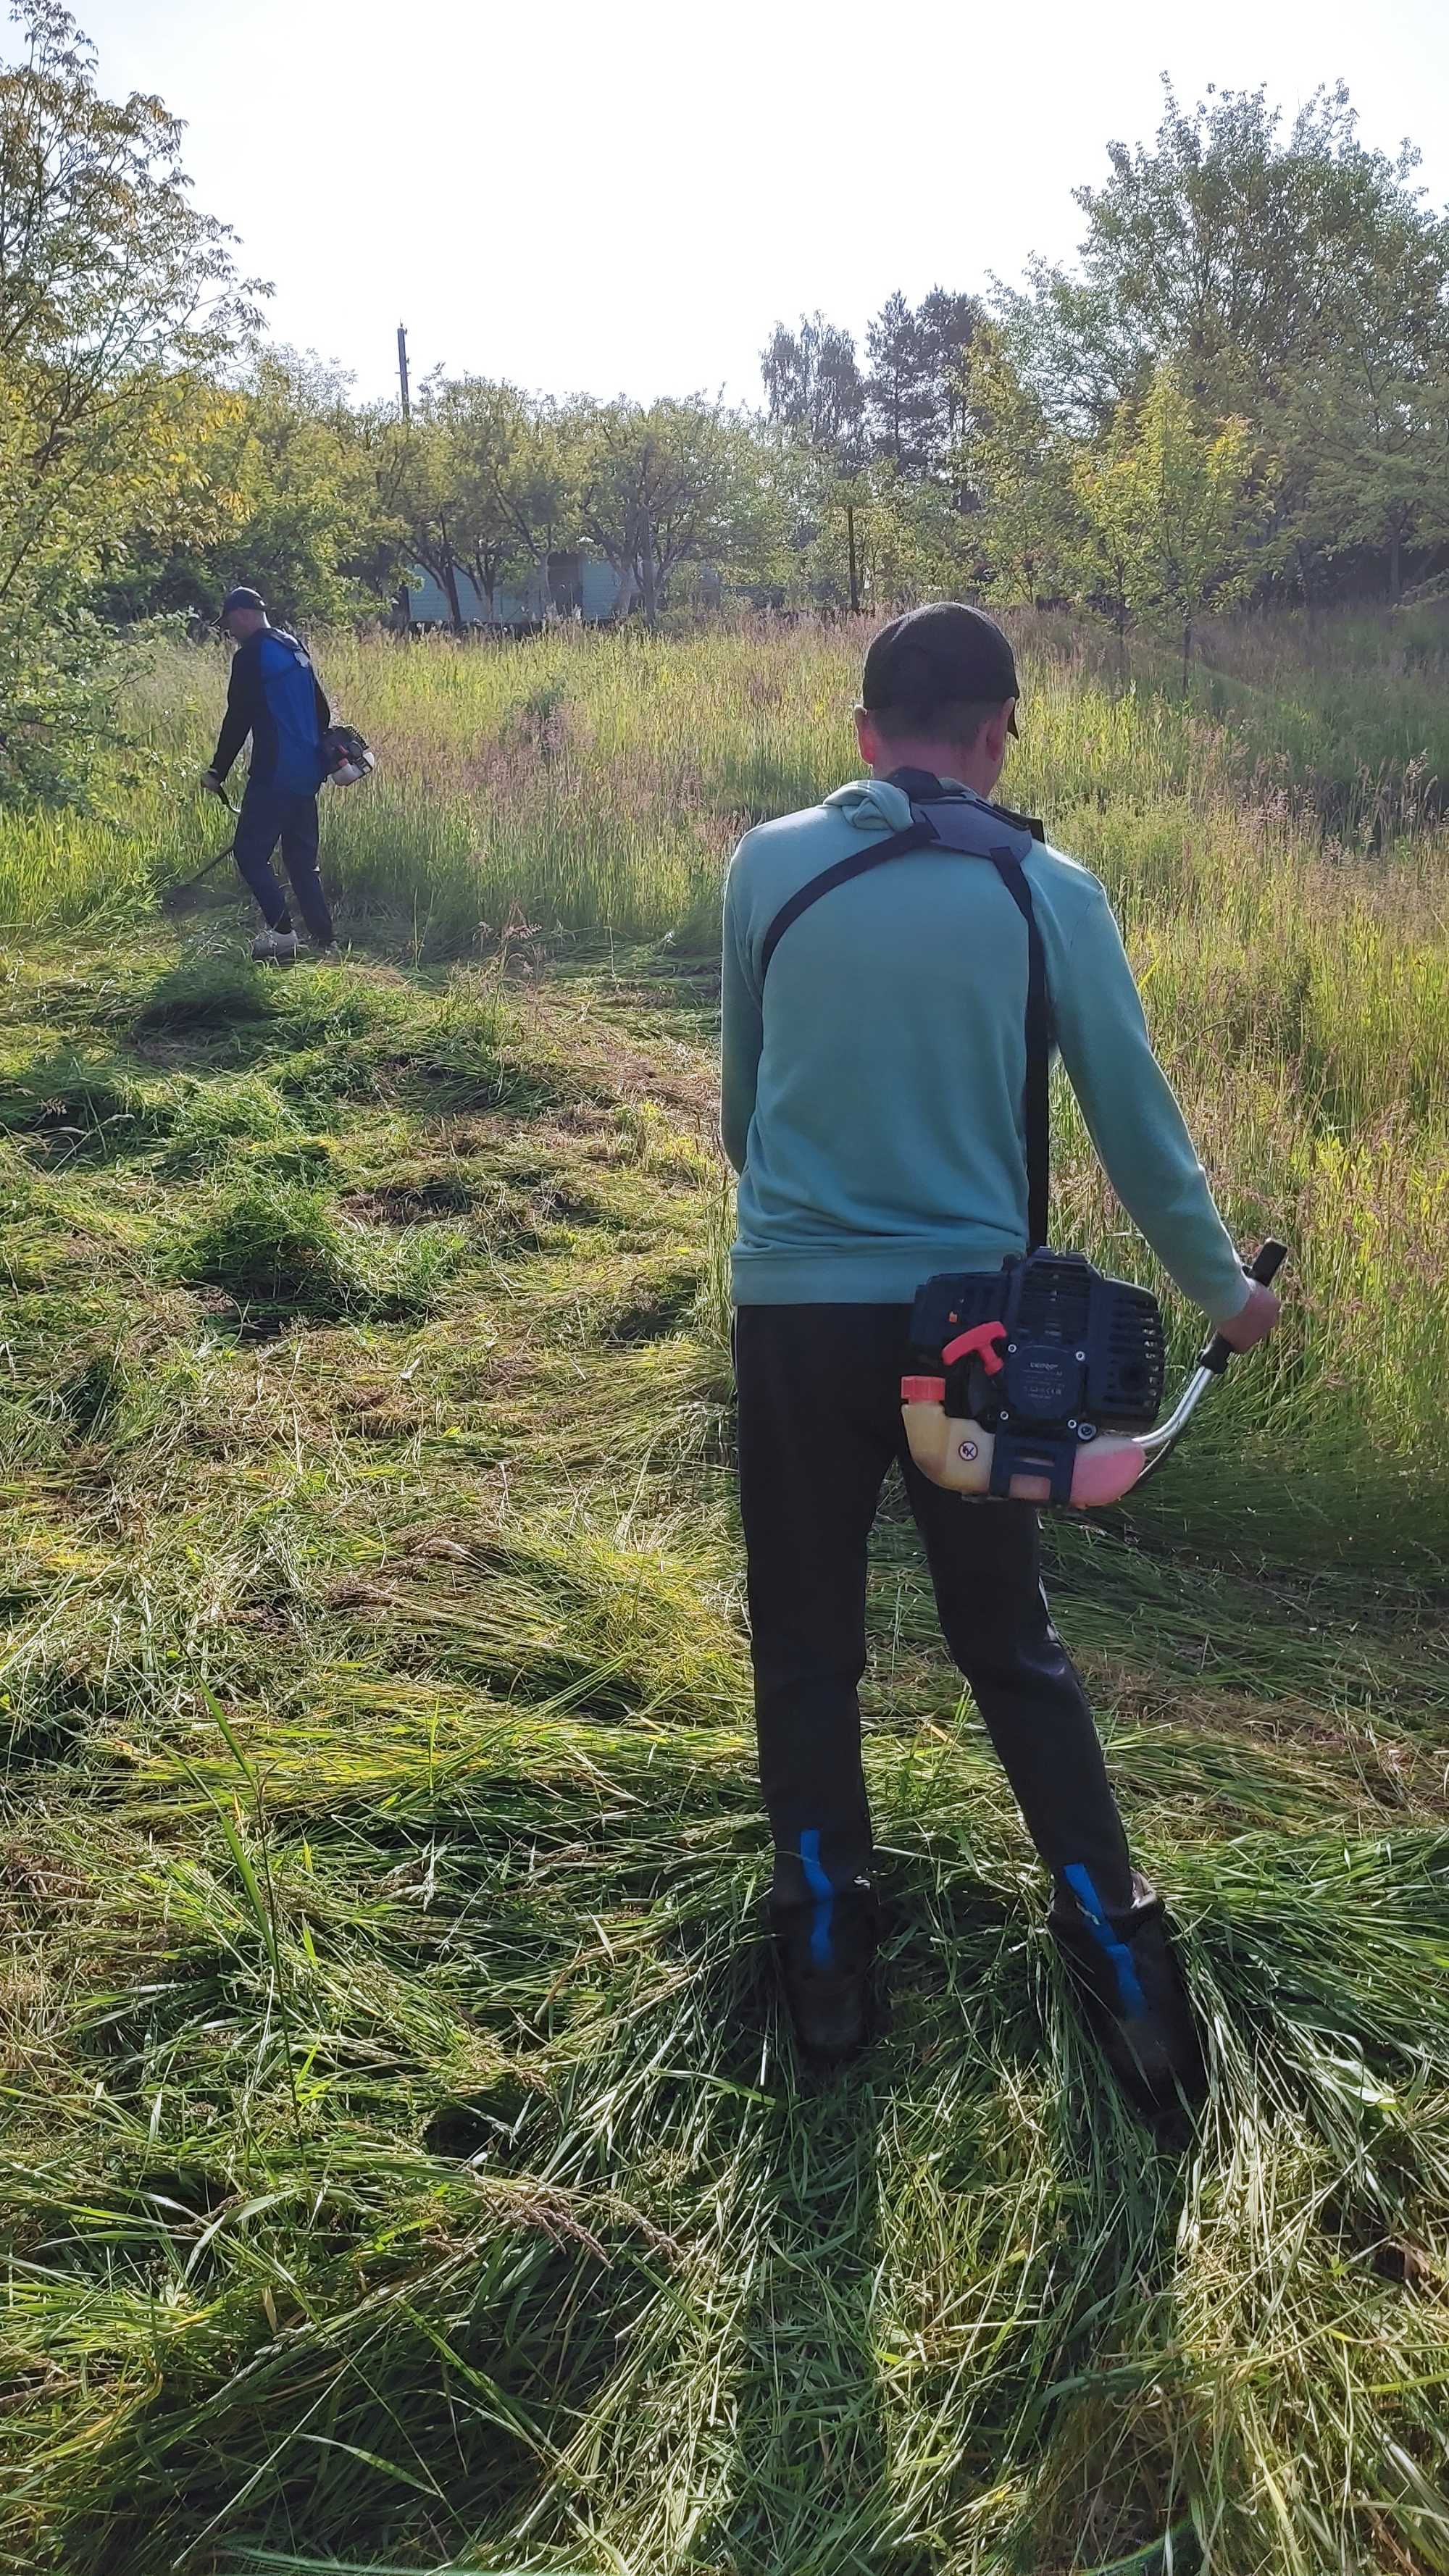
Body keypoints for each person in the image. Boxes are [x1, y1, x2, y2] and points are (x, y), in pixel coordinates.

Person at [720, 603, 1279, 2113]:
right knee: (1006, 1641)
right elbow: (1138, 1131)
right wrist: (1226, 1295)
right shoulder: (1046, 886)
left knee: (805, 1635)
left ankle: (828, 1953)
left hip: (790, 1311)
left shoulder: (766, 864)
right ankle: (1118, 1953)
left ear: (860, 737)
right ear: (993, 737)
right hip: (968, 1339)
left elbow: (738, 1106)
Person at [201, 587, 337, 962]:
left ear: (242, 614)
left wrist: (217, 771)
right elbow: (322, 714)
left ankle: (282, 934)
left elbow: (237, 719)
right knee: (301, 860)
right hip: (308, 773)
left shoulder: (251, 657)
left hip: (273, 773)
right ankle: (325, 940)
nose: (229, 632)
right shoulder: (295, 648)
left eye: (228, 624)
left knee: (249, 854)